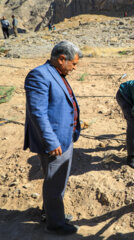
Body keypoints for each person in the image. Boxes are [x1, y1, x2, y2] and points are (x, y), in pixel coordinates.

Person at [24, 41, 82, 235]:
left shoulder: (57, 73)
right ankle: (55, 224)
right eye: (73, 64)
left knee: (57, 181)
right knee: (55, 182)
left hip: (65, 138)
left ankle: (50, 213)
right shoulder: (39, 75)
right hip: (54, 142)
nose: (75, 68)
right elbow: (37, 112)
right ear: (61, 59)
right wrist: (51, 141)